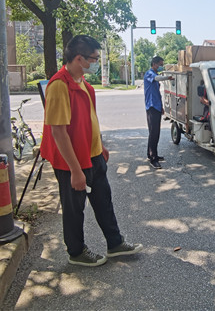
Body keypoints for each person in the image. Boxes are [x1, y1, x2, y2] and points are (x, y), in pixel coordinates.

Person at [40, 35, 143, 267]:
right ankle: (76, 252)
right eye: (94, 58)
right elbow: (58, 132)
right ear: (79, 58)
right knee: (74, 209)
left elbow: (90, 119)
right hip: (72, 162)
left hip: (93, 155)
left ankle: (115, 243)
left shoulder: (84, 84)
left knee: (104, 201)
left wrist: (100, 145)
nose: (96, 62)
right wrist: (76, 171)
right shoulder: (59, 86)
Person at [144, 56, 173, 169]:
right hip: (151, 106)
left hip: (155, 106)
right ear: (154, 64)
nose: (161, 66)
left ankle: (150, 153)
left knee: (155, 132)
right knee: (154, 133)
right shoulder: (149, 74)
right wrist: (167, 77)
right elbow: (157, 78)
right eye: (160, 64)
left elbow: (156, 93)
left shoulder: (154, 73)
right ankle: (153, 158)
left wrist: (161, 106)